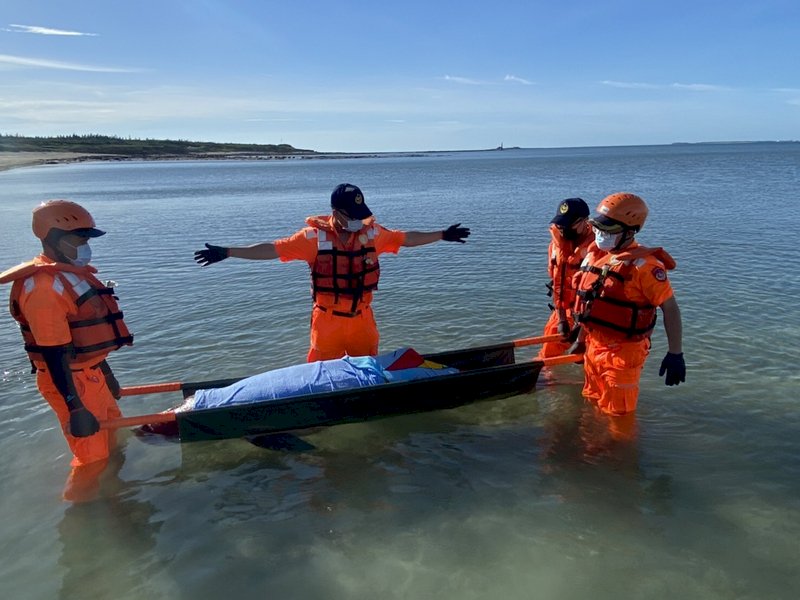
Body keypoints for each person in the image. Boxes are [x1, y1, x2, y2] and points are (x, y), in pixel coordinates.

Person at [194, 183, 470, 361]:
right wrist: (229, 252)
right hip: (327, 323)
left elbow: (405, 238)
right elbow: (272, 250)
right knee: (321, 374)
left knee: (368, 372)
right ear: (335, 212)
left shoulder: (373, 233)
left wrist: (442, 235)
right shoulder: (312, 238)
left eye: (360, 214)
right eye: (351, 215)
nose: (357, 220)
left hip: (363, 319)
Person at [0, 200, 134, 501]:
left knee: (112, 442)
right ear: (53, 239)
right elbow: (55, 352)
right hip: (71, 385)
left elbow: (83, 340)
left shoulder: (70, 274)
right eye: (79, 239)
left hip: (91, 375)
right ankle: (81, 520)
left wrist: (106, 373)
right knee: (91, 459)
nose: (85, 245)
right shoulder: (44, 287)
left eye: (87, 238)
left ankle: (116, 500)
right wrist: (75, 408)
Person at [570, 192, 685, 417]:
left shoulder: (645, 267)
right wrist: (581, 339)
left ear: (630, 231)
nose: (600, 235)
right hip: (594, 345)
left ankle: (621, 451)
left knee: (619, 419)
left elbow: (669, 307)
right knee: (592, 406)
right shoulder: (596, 256)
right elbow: (590, 302)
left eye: (608, 230)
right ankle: (593, 449)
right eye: (598, 228)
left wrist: (675, 353)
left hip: (623, 353)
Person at [537, 197, 593, 359]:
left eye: (569, 224)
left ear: (584, 222)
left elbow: (599, 293)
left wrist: (581, 326)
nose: (563, 228)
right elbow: (557, 282)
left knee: (589, 358)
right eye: (561, 224)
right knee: (548, 352)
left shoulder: (597, 248)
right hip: (563, 309)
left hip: (590, 314)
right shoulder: (556, 244)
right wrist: (561, 319)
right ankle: (545, 380)